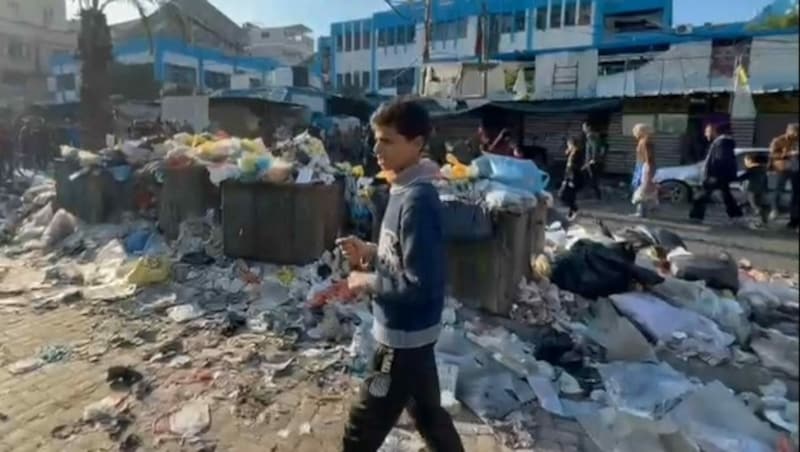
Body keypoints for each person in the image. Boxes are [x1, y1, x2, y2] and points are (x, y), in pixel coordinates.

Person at [337, 100, 464, 452]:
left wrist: (367, 281)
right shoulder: (402, 187)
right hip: (412, 335)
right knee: (427, 412)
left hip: (401, 339)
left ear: (417, 143)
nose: (377, 149)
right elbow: (401, 255)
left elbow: (418, 285)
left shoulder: (419, 201)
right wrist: (370, 250)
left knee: (363, 424)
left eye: (388, 141)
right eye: (376, 139)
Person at [689, 122, 743, 224]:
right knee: (726, 196)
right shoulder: (721, 143)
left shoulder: (721, 143)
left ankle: (696, 216)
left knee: (701, 196)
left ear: (714, 131)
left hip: (715, 176)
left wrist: (713, 175)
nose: (705, 134)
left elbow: (721, 160)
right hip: (719, 176)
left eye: (707, 132)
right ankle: (736, 215)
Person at [768, 123, 799, 226]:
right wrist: (788, 153)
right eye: (795, 132)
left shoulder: (797, 140)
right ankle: (774, 210)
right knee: (778, 189)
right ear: (789, 130)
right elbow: (772, 154)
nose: (796, 134)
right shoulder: (778, 140)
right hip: (783, 168)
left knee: (796, 193)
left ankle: (793, 218)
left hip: (795, 169)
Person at [631, 123, 658, 218]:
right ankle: (644, 210)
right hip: (642, 165)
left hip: (644, 166)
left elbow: (648, 157)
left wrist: (648, 169)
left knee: (642, 189)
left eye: (635, 131)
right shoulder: (644, 141)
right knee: (642, 188)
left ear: (640, 131)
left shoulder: (645, 141)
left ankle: (642, 212)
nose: (634, 133)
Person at [738, 153, 770, 229]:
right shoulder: (764, 170)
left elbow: (743, 177)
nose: (745, 163)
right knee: (760, 204)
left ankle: (757, 217)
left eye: (746, 161)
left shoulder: (752, 169)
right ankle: (763, 221)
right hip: (761, 190)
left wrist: (735, 178)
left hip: (752, 189)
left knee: (754, 205)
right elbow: (765, 181)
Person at [559, 136, 584, 221]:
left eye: (568, 145)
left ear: (572, 144)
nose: (567, 146)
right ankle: (571, 212)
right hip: (570, 177)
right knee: (569, 196)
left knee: (564, 195)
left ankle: (573, 210)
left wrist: (570, 179)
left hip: (573, 178)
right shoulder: (573, 152)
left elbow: (574, 167)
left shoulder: (576, 153)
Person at [581, 122, 605, 199]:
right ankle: (594, 194)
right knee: (590, 178)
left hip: (591, 162)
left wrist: (593, 159)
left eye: (584, 127)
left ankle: (597, 195)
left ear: (589, 127)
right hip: (590, 161)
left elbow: (594, 148)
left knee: (592, 179)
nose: (583, 129)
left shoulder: (591, 136)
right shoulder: (592, 136)